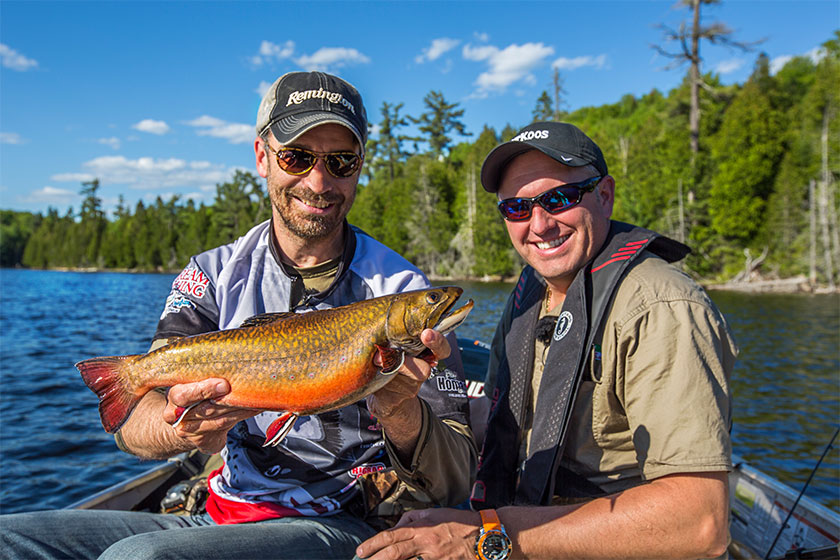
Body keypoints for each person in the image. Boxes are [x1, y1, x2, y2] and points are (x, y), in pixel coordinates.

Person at [1, 71, 477, 560]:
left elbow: (458, 477)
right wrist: (181, 428)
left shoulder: (404, 293)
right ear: (262, 158)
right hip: (220, 511)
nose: (319, 181)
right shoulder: (212, 275)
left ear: (359, 166)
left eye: (340, 161)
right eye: (297, 156)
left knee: (139, 558)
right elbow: (133, 422)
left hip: (342, 521)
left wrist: (400, 411)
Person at [357, 121, 737, 560]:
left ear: (605, 195)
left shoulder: (661, 307)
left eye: (560, 199)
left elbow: (700, 522)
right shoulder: (530, 299)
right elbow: (501, 426)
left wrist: (484, 537)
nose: (539, 224)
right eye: (517, 208)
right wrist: (404, 411)